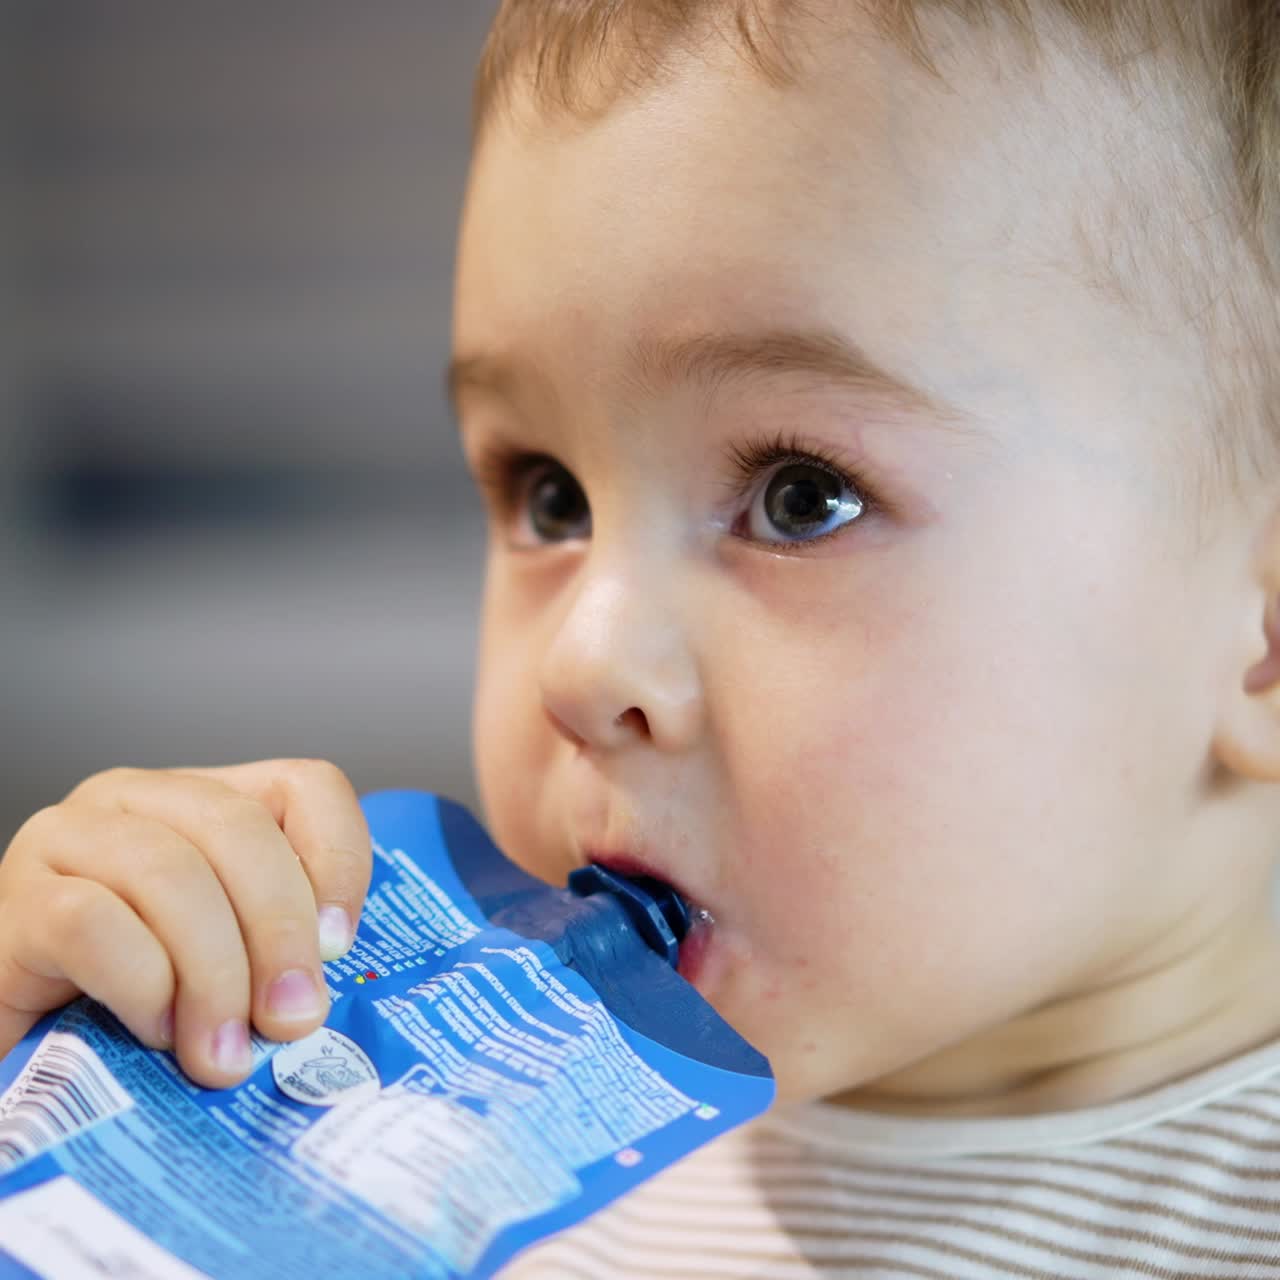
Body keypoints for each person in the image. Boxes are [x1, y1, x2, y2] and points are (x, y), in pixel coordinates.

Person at [5, 0, 1280, 1273]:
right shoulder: (413, 1153)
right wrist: (61, 1108)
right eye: (547, 494)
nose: (580, 662)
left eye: (800, 495)